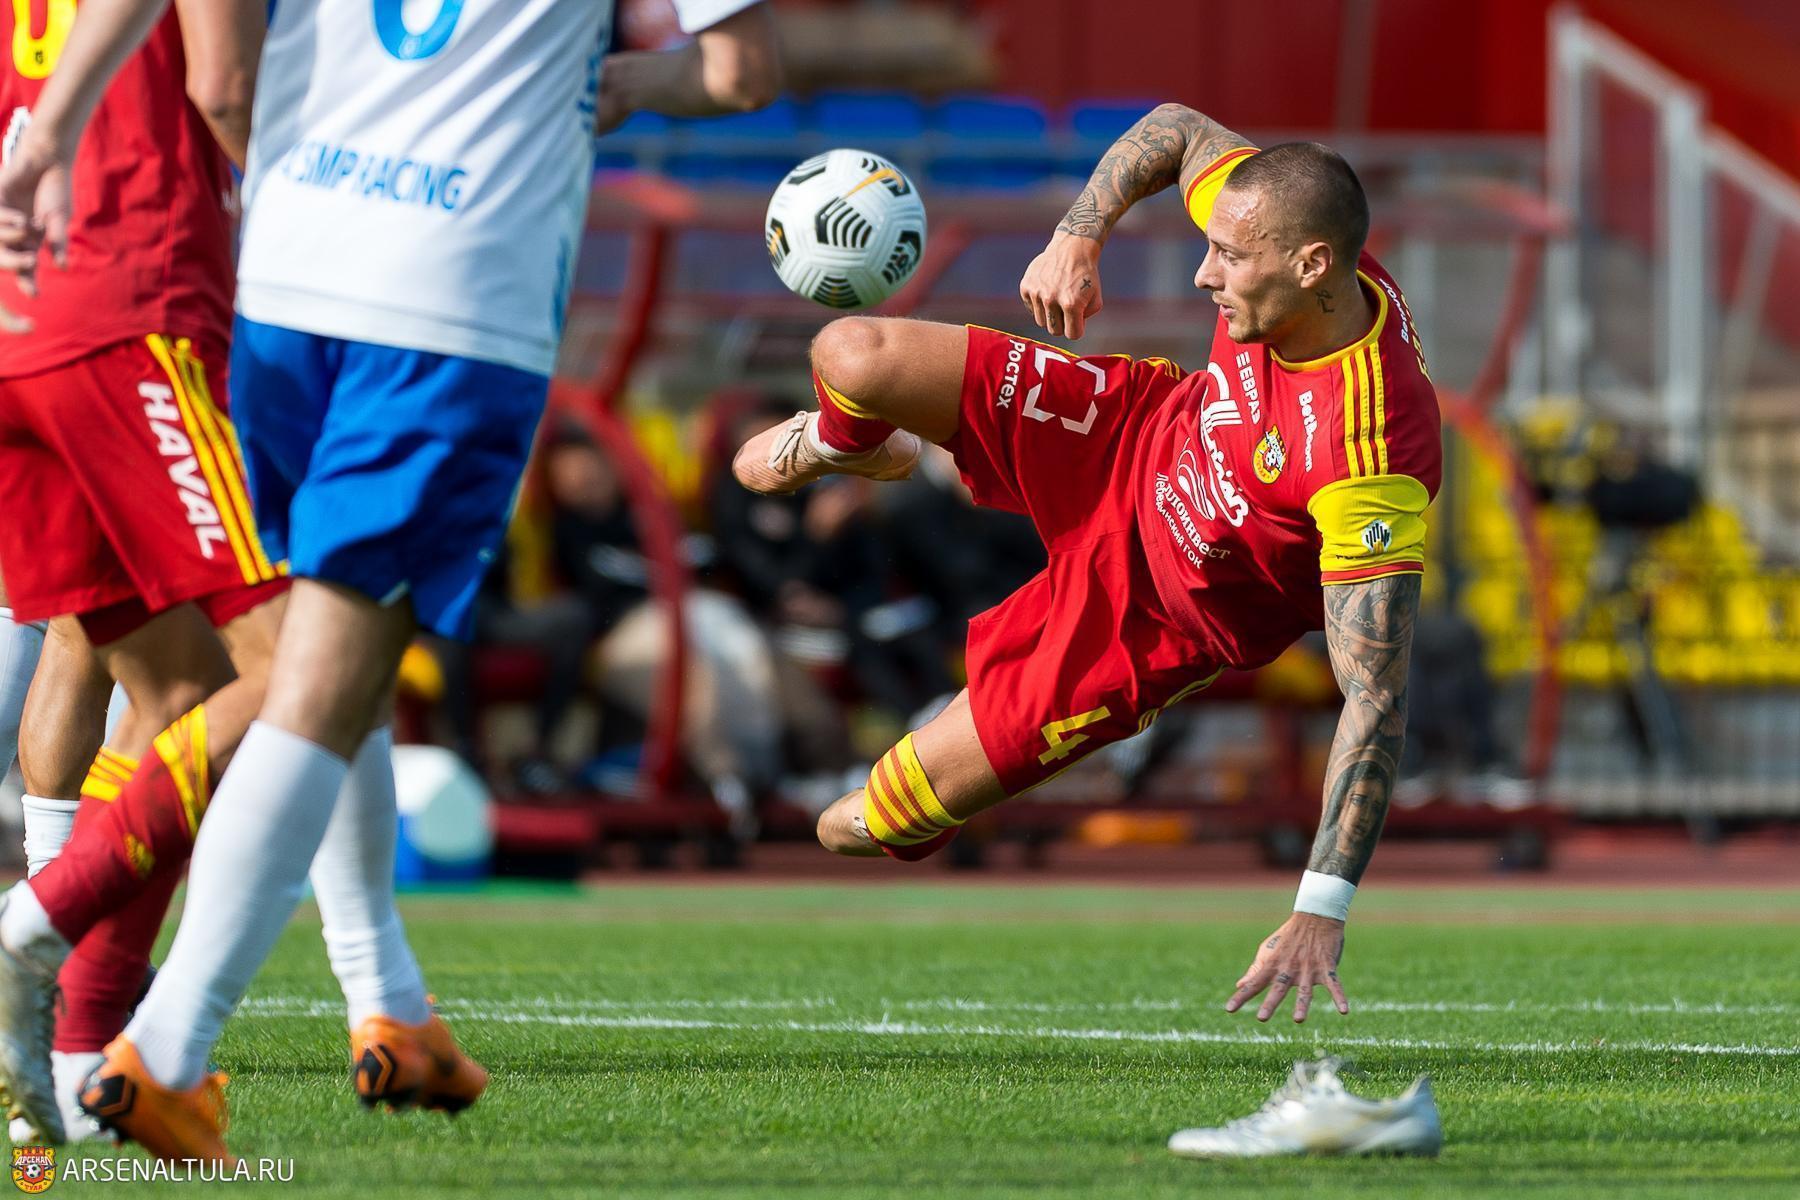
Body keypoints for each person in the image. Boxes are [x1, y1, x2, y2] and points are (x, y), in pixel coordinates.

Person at [0, 0, 781, 1162]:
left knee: (178, 661)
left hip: (165, 294)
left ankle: (357, 1007)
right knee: (298, 673)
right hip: (358, 292)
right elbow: (741, 68)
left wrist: (56, 127)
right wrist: (617, 85)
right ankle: (84, 965)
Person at [735, 105, 1440, 1028]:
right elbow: (1178, 128)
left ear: (1311, 266)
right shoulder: (1282, 218)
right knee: (852, 352)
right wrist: (1079, 234)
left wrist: (1321, 906)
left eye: (1229, 258)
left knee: (866, 824)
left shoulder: (1369, 457)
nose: (1204, 273)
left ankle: (876, 459)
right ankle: (857, 444)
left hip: (1153, 622)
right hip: (1130, 435)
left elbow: (1375, 696)